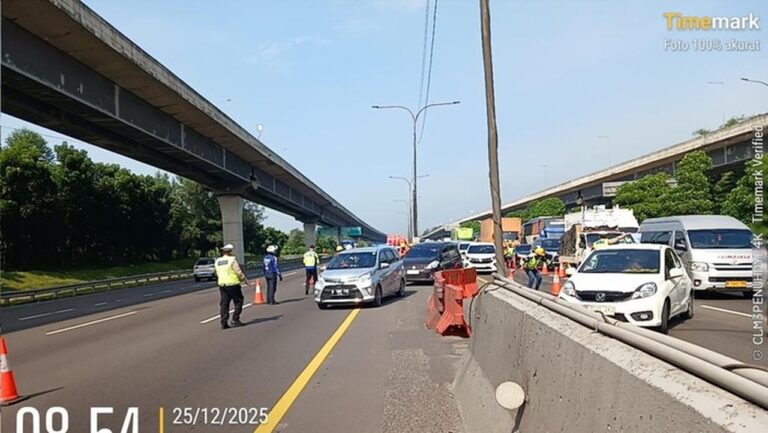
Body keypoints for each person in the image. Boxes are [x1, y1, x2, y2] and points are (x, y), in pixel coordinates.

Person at [215, 244, 250, 329]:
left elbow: (216, 272)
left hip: (222, 285)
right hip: (233, 284)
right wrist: (245, 280)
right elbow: (238, 271)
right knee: (238, 301)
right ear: (230, 251)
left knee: (224, 304)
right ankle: (235, 319)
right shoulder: (232, 260)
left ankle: (224, 322)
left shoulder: (218, 261)